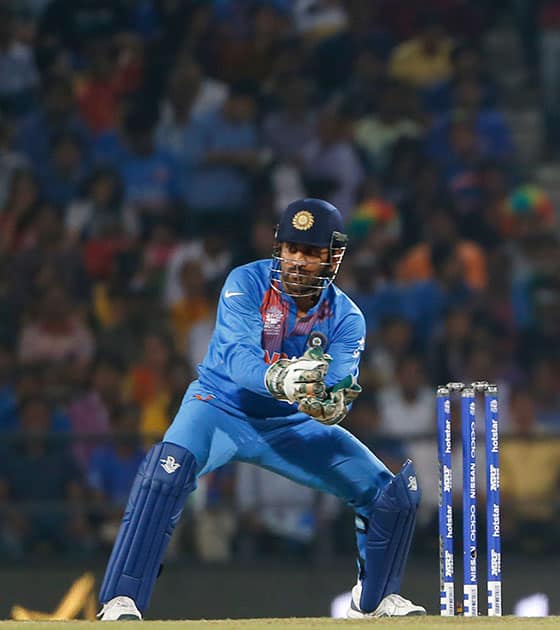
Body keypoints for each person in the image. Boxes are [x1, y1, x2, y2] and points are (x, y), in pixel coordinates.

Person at [97, 199, 425, 620]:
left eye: (311, 252)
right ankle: (121, 600)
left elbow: (340, 379)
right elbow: (237, 358)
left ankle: (375, 600)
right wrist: (281, 379)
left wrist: (331, 401)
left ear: (333, 257)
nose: (298, 261)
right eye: (291, 248)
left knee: (390, 495)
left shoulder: (347, 318)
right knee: (167, 471)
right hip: (218, 407)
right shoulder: (245, 283)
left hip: (289, 424)